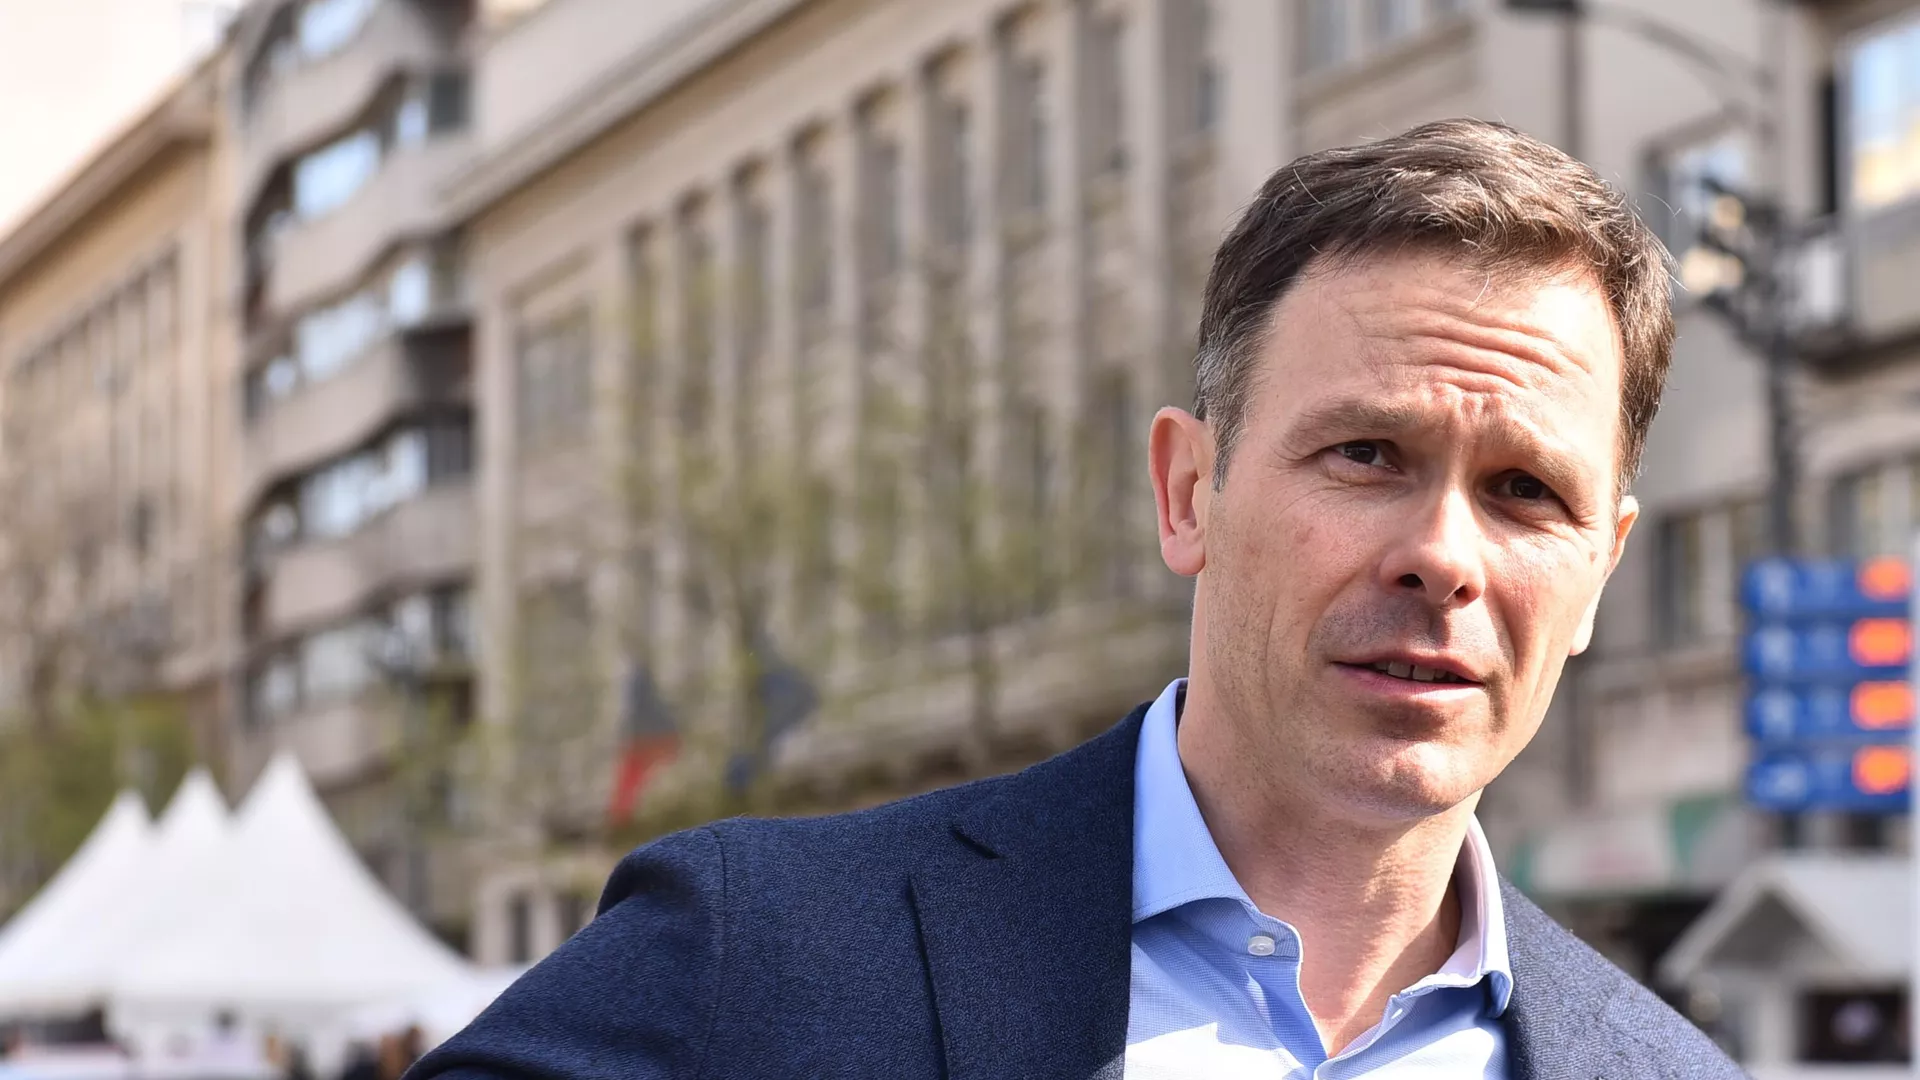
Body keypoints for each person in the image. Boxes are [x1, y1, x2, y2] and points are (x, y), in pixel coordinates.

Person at [408, 119, 1742, 1077]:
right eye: (1366, 455)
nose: (1442, 556)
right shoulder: (757, 954)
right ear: (1188, 493)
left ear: (1602, 570)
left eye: (1525, 492)